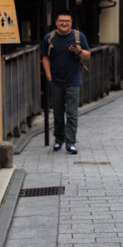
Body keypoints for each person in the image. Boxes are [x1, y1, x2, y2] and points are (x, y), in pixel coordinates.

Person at [41, 10, 91, 154]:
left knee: (72, 113)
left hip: (73, 81)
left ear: (71, 22)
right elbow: (45, 57)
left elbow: (88, 55)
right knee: (57, 113)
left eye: (67, 21)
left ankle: (70, 142)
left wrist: (79, 51)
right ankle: (58, 140)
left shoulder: (78, 36)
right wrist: (49, 76)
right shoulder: (49, 38)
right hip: (56, 81)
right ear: (56, 22)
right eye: (61, 21)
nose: (64, 23)